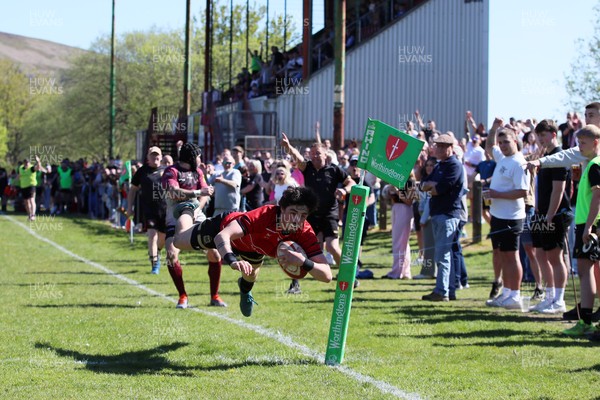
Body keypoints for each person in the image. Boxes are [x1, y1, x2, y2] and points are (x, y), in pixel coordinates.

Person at [174, 186, 332, 317]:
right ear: (282, 208)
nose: (297, 220)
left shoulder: (305, 232)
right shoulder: (265, 216)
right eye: (293, 213)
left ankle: (244, 291)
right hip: (225, 229)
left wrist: (304, 262)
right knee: (179, 241)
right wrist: (232, 260)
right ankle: (188, 209)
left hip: (254, 248)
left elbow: (327, 276)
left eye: (303, 215)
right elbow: (223, 236)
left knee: (251, 277)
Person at [280, 133, 355, 294]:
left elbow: (351, 182)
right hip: (311, 215)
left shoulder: (334, 170)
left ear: (325, 154)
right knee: (301, 247)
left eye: (318, 153)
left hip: (330, 214)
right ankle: (295, 285)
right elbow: (298, 157)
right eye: (312, 153)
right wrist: (288, 147)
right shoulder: (307, 168)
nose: (314, 156)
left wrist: (344, 190)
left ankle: (349, 277)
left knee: (333, 247)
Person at [162, 143, 224, 309]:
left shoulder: (198, 172)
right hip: (175, 217)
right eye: (198, 156)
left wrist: (197, 208)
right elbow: (174, 192)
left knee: (215, 254)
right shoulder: (171, 171)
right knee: (171, 255)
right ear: (191, 158)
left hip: (196, 214)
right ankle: (182, 296)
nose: (200, 160)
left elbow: (206, 193)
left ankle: (215, 296)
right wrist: (197, 194)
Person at [529, 120, 573, 314]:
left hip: (555, 214)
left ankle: (559, 299)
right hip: (541, 214)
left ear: (554, 135)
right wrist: (540, 212)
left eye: (544, 135)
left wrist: (550, 215)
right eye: (538, 136)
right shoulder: (544, 156)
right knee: (540, 254)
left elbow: (559, 189)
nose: (540, 139)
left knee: (555, 256)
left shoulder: (559, 157)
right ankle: (549, 297)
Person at [484, 122, 529, 309]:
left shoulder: (519, 162)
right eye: (500, 142)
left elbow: (523, 192)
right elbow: (488, 147)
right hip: (498, 216)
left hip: (512, 217)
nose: (502, 145)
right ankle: (507, 292)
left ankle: (515, 295)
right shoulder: (502, 158)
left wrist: (497, 194)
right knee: (502, 255)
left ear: (515, 141)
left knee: (512, 256)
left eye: (506, 141)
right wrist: (494, 128)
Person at [420, 134, 464, 301]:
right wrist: (432, 186)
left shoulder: (454, 166)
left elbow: (440, 189)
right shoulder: (439, 166)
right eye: (436, 146)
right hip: (438, 213)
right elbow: (424, 184)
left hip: (448, 214)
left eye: (442, 146)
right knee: (443, 254)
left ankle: (442, 291)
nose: (437, 149)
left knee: (443, 255)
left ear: (450, 148)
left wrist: (432, 187)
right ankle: (446, 289)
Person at [127, 146, 167, 274]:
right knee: (152, 236)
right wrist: (129, 207)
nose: (155, 157)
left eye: (157, 155)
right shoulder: (142, 171)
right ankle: (155, 264)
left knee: (162, 238)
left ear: (161, 157)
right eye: (152, 155)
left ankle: (157, 252)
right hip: (149, 210)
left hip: (165, 209)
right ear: (148, 157)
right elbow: (133, 189)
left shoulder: (167, 171)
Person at [18, 156, 45, 221]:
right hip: (24, 186)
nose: (27, 164)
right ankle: (29, 214)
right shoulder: (21, 168)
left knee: (32, 200)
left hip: (31, 186)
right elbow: (20, 175)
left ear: (29, 163)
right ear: (23, 163)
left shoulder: (31, 168)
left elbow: (38, 168)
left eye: (28, 162)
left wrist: (38, 161)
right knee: (26, 202)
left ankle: (33, 215)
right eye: (25, 163)